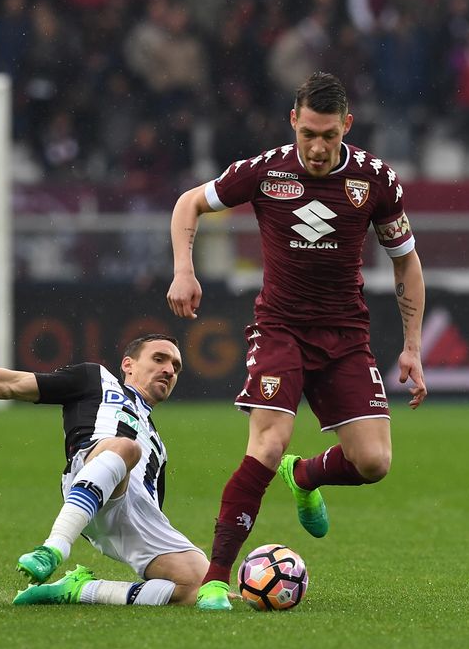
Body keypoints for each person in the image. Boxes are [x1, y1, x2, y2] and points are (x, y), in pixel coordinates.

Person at [167, 71, 427, 610]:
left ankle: (305, 475)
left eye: (329, 135)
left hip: (346, 336)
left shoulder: (375, 181)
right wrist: (183, 272)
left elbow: (407, 264)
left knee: (375, 463)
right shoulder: (265, 172)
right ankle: (216, 578)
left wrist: (413, 348)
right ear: (293, 122)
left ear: (346, 127)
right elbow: (188, 203)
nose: (317, 145)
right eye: (308, 132)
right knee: (267, 443)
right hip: (280, 329)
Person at [0, 329, 219, 608]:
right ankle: (54, 548)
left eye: (176, 367)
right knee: (125, 447)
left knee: (199, 584)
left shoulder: (158, 445)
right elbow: (11, 384)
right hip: (94, 469)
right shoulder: (97, 379)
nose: (169, 370)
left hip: (134, 513)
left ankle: (82, 590)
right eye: (159, 359)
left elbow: (153, 508)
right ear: (128, 364)